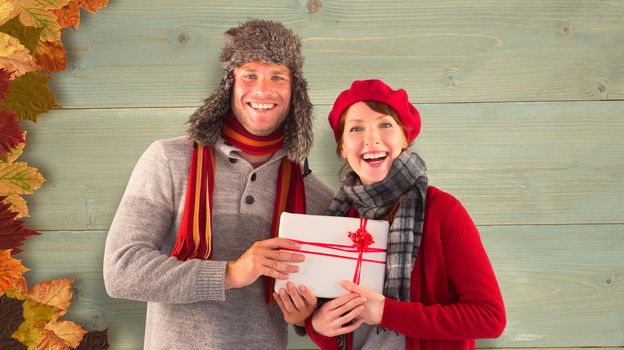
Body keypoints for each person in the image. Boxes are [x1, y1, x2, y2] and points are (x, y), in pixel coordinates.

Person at [102, 19, 334, 349]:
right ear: (230, 84)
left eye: (277, 77)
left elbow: (323, 307)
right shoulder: (169, 160)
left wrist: (305, 316)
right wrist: (230, 274)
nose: (263, 90)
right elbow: (121, 270)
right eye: (250, 75)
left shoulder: (316, 195)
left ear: (295, 91)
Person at [273, 79, 506, 349]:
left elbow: (490, 318)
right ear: (342, 147)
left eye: (385, 125)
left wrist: (386, 312)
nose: (371, 138)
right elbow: (348, 337)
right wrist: (317, 327)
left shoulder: (443, 211)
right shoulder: (338, 218)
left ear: (405, 137)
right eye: (356, 128)